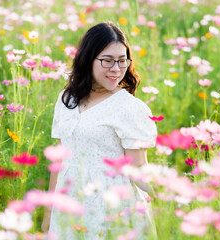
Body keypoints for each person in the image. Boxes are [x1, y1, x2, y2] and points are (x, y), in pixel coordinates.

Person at [41, 22, 157, 239]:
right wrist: (48, 215)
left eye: (122, 61)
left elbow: (138, 168)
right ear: (87, 59)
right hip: (67, 207)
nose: (116, 69)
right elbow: (59, 160)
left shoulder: (130, 108)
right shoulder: (67, 99)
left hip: (111, 210)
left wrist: (173, 195)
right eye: (107, 61)